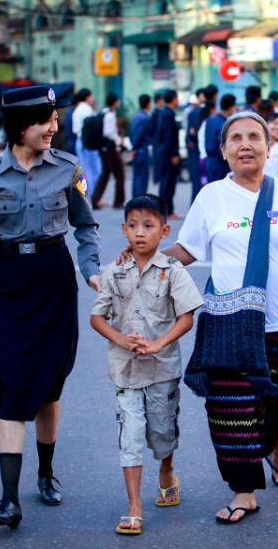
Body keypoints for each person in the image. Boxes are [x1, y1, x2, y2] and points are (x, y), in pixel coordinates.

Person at [145, 111, 278, 524]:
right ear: (223, 151)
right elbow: (187, 251)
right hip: (228, 321)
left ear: (268, 145)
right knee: (231, 411)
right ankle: (244, 491)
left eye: (254, 137)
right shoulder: (211, 197)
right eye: (236, 138)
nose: (246, 144)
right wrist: (145, 260)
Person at [0, 85, 103, 529]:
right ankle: (8, 499)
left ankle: (45, 472)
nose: (54, 127)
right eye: (46, 120)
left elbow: (85, 225)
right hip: (9, 285)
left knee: (49, 386)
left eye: (56, 118)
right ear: (21, 125)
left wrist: (91, 271)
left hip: (54, 281)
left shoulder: (69, 167)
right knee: (16, 384)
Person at [91, 194, 203, 535]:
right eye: (134, 226)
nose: (140, 233)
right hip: (124, 370)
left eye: (149, 226)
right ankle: (134, 505)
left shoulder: (172, 272)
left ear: (164, 230)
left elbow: (187, 318)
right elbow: (97, 317)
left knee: (162, 432)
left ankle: (166, 472)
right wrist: (121, 339)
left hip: (162, 368)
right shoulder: (115, 271)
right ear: (124, 229)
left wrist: (156, 344)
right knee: (131, 434)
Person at [91, 92, 126, 209]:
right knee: (119, 174)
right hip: (110, 148)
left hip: (103, 148)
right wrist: (118, 140)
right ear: (115, 102)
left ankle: (94, 200)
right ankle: (118, 201)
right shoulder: (110, 115)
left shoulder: (103, 112)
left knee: (105, 174)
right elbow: (108, 132)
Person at [156, 90, 181, 218]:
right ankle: (167, 210)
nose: (178, 101)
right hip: (167, 152)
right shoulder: (167, 114)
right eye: (177, 98)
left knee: (167, 181)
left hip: (165, 151)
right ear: (173, 99)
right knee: (168, 182)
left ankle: (165, 210)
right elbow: (169, 136)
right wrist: (174, 154)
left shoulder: (166, 112)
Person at [72, 88, 102, 196]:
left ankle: (88, 195)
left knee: (85, 169)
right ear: (88, 97)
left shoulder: (77, 109)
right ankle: (93, 195)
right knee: (95, 170)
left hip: (80, 141)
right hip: (88, 142)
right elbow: (92, 128)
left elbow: (75, 130)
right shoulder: (86, 110)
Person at [204, 94, 237, 183]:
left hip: (209, 161)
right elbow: (221, 145)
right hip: (219, 162)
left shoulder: (210, 120)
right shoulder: (223, 124)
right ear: (231, 107)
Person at [129, 94, 152, 198]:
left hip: (136, 149)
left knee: (136, 176)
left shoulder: (136, 117)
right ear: (148, 104)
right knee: (142, 178)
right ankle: (139, 201)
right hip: (141, 149)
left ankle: (135, 199)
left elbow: (131, 133)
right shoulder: (145, 118)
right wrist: (135, 147)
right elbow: (139, 135)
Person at [186, 94, 203, 205]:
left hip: (196, 147)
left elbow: (190, 131)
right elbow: (190, 131)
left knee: (197, 180)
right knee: (197, 180)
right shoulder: (195, 112)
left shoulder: (193, 112)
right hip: (197, 148)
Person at [149, 93, 165, 185]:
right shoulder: (155, 113)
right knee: (156, 160)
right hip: (155, 139)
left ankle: (158, 177)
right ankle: (156, 178)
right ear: (159, 101)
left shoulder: (160, 112)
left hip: (158, 139)